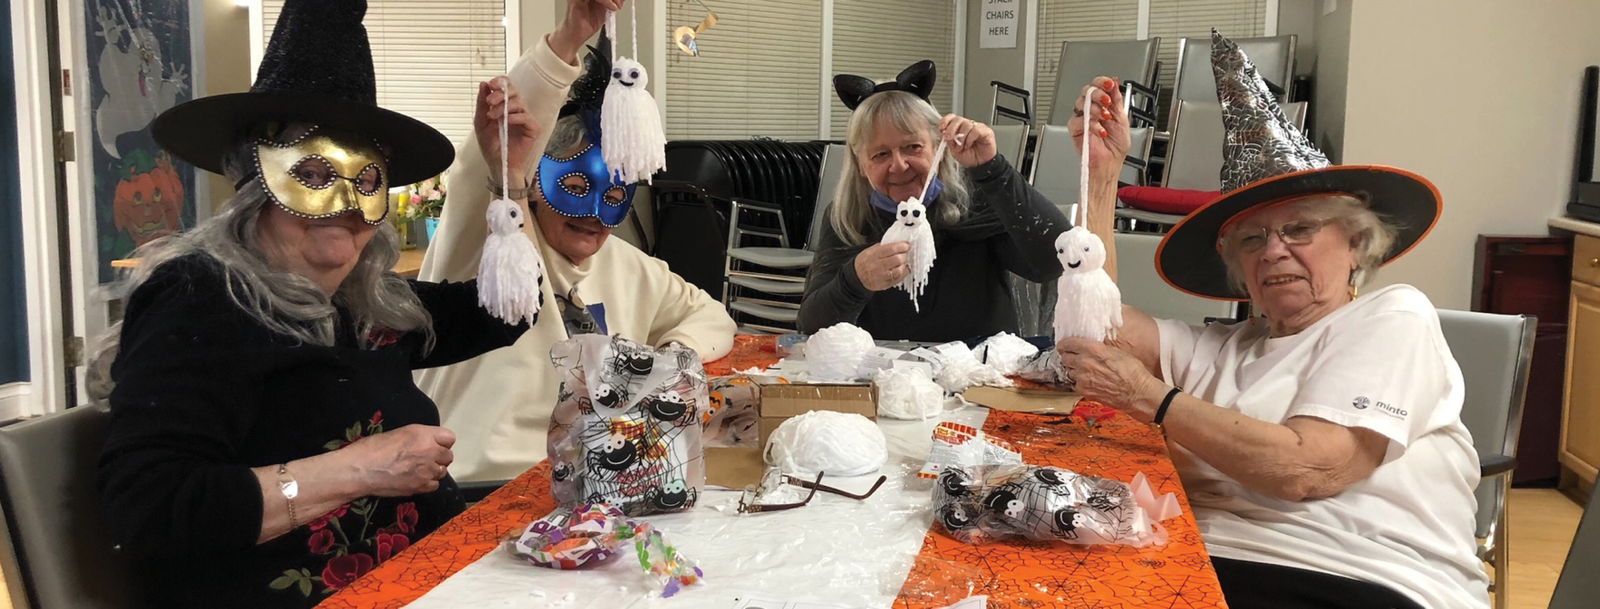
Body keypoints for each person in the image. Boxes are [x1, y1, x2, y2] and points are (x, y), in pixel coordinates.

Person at [88, 1, 561, 607]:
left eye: (365, 182)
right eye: (312, 173)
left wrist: (509, 174)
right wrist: (362, 469)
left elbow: (509, 307)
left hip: (434, 580)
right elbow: (147, 511)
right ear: (255, 183)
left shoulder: (365, 306)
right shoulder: (199, 297)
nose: (343, 201)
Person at [1056, 32, 1489, 609]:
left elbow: (1306, 468)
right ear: (1238, 267)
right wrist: (1102, 178)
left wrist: (1150, 398)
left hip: (1361, 577)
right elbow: (1097, 331)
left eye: (1300, 230)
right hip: (1201, 567)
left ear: (1357, 245)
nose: (1275, 251)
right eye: (1253, 240)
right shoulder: (1224, 346)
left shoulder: (1392, 317)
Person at [415, 4, 736, 483]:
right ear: (536, 181)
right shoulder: (492, 244)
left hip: (597, 481)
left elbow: (710, 315)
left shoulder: (629, 265)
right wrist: (570, 38)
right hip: (484, 484)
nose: (594, 215)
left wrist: (670, 355)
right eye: (577, 188)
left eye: (613, 196)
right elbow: (493, 157)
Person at [797, 60, 1070, 342]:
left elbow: (1056, 260)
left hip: (981, 375)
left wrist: (993, 170)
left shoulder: (977, 200)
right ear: (861, 165)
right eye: (880, 155)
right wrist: (854, 280)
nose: (899, 166)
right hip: (884, 376)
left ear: (939, 148)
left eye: (912, 147)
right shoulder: (849, 216)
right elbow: (810, 327)